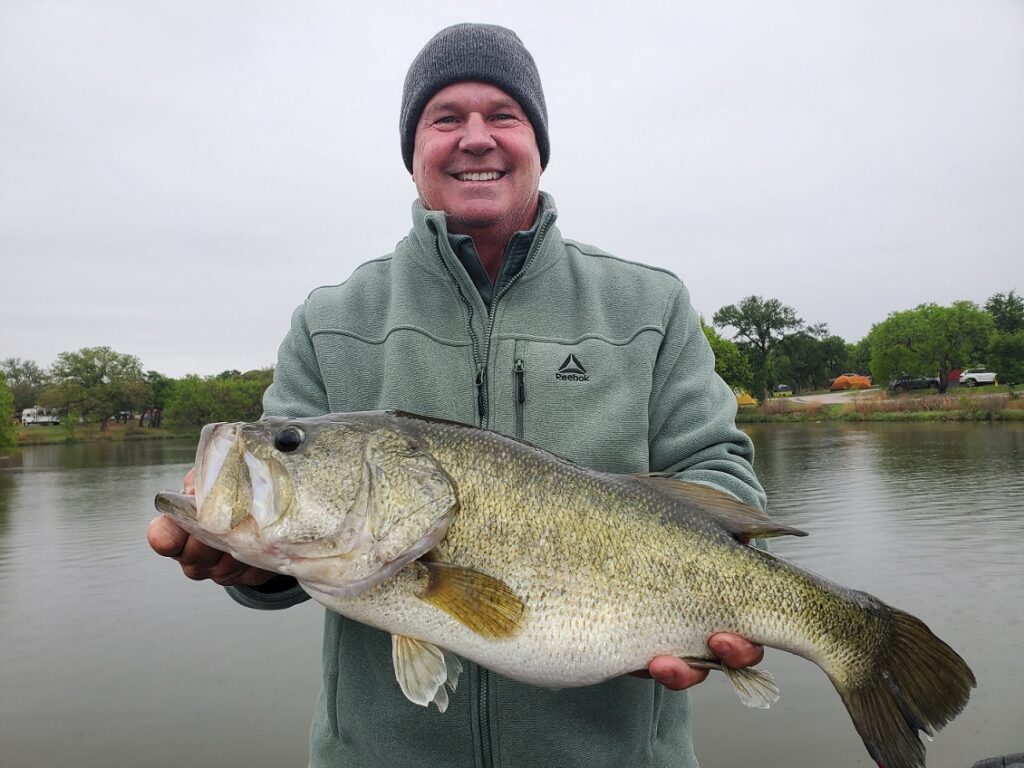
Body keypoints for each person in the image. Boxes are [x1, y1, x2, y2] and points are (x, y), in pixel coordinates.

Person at [148, 22, 768, 768]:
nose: (476, 138)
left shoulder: (649, 305)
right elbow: (288, 564)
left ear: (537, 142)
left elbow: (718, 472)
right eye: (445, 119)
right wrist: (249, 564)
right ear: (413, 153)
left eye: (502, 115)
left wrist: (710, 589)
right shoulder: (331, 321)